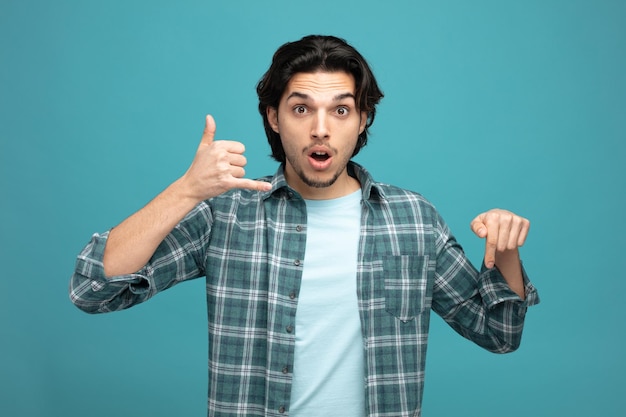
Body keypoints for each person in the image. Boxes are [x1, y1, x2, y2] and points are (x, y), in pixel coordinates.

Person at [70, 34, 539, 417]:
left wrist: (507, 249)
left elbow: (498, 332)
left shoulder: (413, 220)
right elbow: (94, 288)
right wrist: (186, 191)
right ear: (274, 118)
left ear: (362, 119)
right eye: (300, 109)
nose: (321, 129)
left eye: (340, 110)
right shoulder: (227, 214)